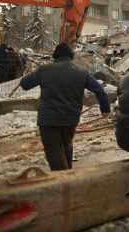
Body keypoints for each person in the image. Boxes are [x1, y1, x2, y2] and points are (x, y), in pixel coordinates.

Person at [20, 43, 110, 171]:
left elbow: (24, 84)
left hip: (48, 120)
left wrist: (35, 71)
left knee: (54, 151)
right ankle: (68, 178)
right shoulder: (81, 72)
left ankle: (63, 181)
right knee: (66, 147)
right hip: (70, 119)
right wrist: (105, 109)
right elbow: (100, 91)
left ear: (55, 56)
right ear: (71, 56)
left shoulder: (45, 69)